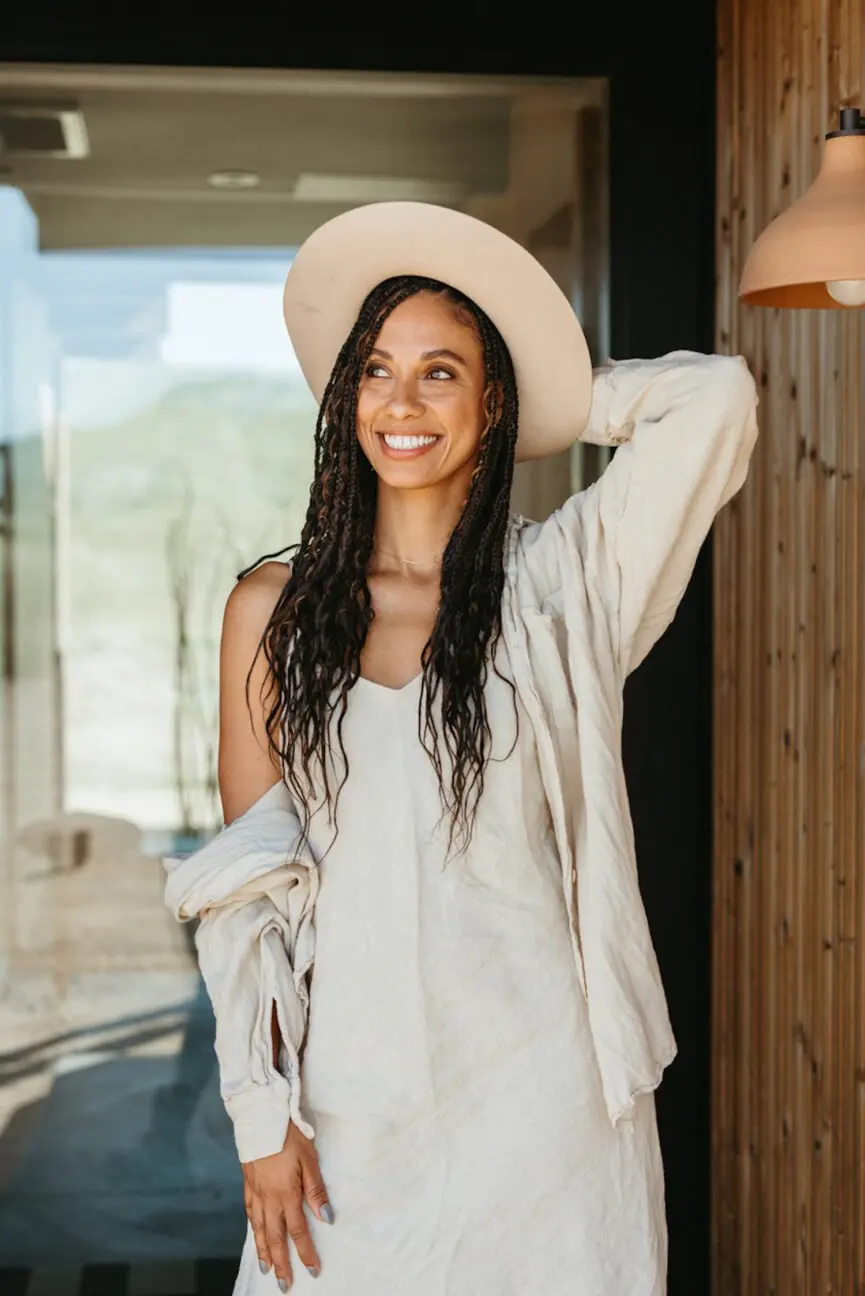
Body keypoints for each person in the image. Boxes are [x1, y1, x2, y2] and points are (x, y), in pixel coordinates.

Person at [164, 201, 759, 1295]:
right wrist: (261, 1114)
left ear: (494, 403)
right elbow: (245, 888)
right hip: (347, 1110)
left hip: (548, 1110)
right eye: (378, 370)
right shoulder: (272, 610)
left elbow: (711, 401)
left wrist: (557, 386)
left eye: (443, 373)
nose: (402, 401)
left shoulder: (564, 586)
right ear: (344, 395)